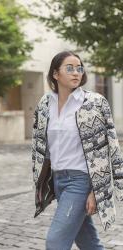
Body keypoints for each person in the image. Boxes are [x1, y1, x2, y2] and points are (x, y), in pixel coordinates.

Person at [31, 50, 123, 250]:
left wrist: (94, 190)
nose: (76, 72)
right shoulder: (45, 104)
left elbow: (108, 148)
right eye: (69, 68)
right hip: (58, 180)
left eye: (79, 68)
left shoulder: (94, 103)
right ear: (55, 74)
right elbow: (40, 146)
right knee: (88, 243)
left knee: (55, 242)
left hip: (80, 181)